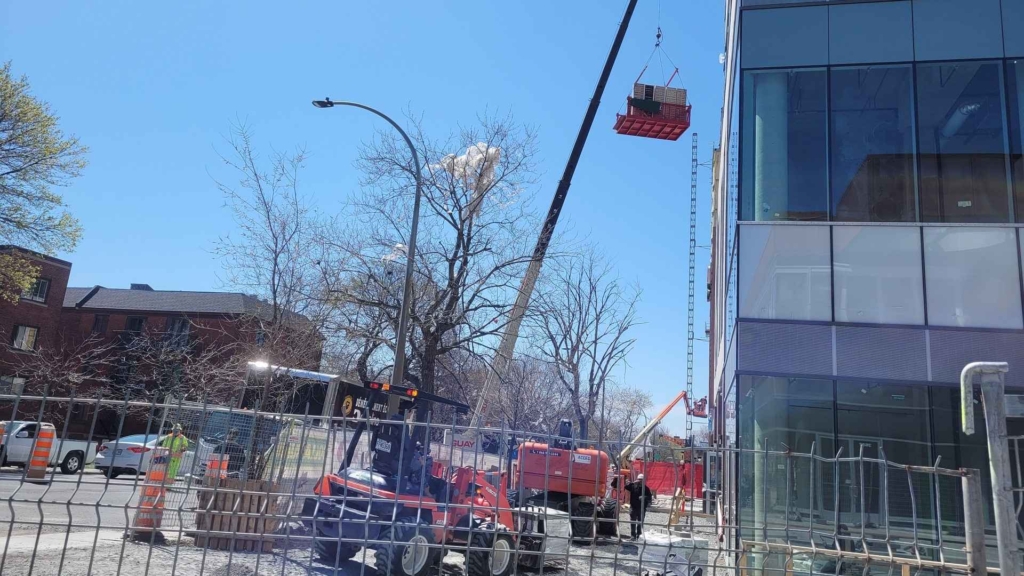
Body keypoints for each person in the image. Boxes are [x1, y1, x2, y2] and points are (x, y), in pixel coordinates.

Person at [625, 473, 655, 540]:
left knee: (640, 522)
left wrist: (644, 497)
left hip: (642, 508)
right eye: (639, 480)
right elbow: (626, 487)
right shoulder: (633, 486)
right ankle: (633, 536)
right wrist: (630, 483)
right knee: (633, 521)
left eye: (641, 480)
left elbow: (650, 498)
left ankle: (639, 535)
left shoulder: (646, 488)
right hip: (633, 507)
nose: (640, 481)